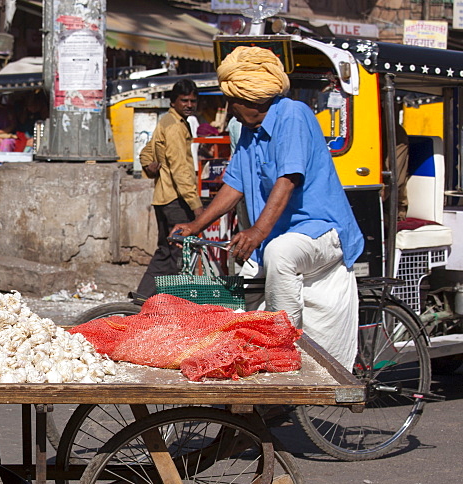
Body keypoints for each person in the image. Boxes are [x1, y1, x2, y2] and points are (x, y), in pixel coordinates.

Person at [171, 46, 364, 370]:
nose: (230, 109)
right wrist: (195, 226)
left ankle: (282, 351)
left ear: (251, 99)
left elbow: (287, 179)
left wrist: (258, 231)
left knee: (279, 253)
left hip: (322, 230)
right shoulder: (249, 131)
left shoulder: (293, 114)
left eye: (232, 101)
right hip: (281, 234)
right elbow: (233, 186)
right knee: (240, 291)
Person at [135, 78, 203, 298]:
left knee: (166, 251)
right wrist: (197, 207)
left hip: (163, 198)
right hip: (175, 199)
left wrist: (150, 165)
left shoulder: (168, 121)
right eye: (184, 101)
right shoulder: (174, 126)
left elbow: (146, 152)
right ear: (174, 102)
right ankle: (169, 303)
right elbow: (181, 169)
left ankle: (143, 298)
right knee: (178, 253)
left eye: (193, 101)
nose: (189, 105)